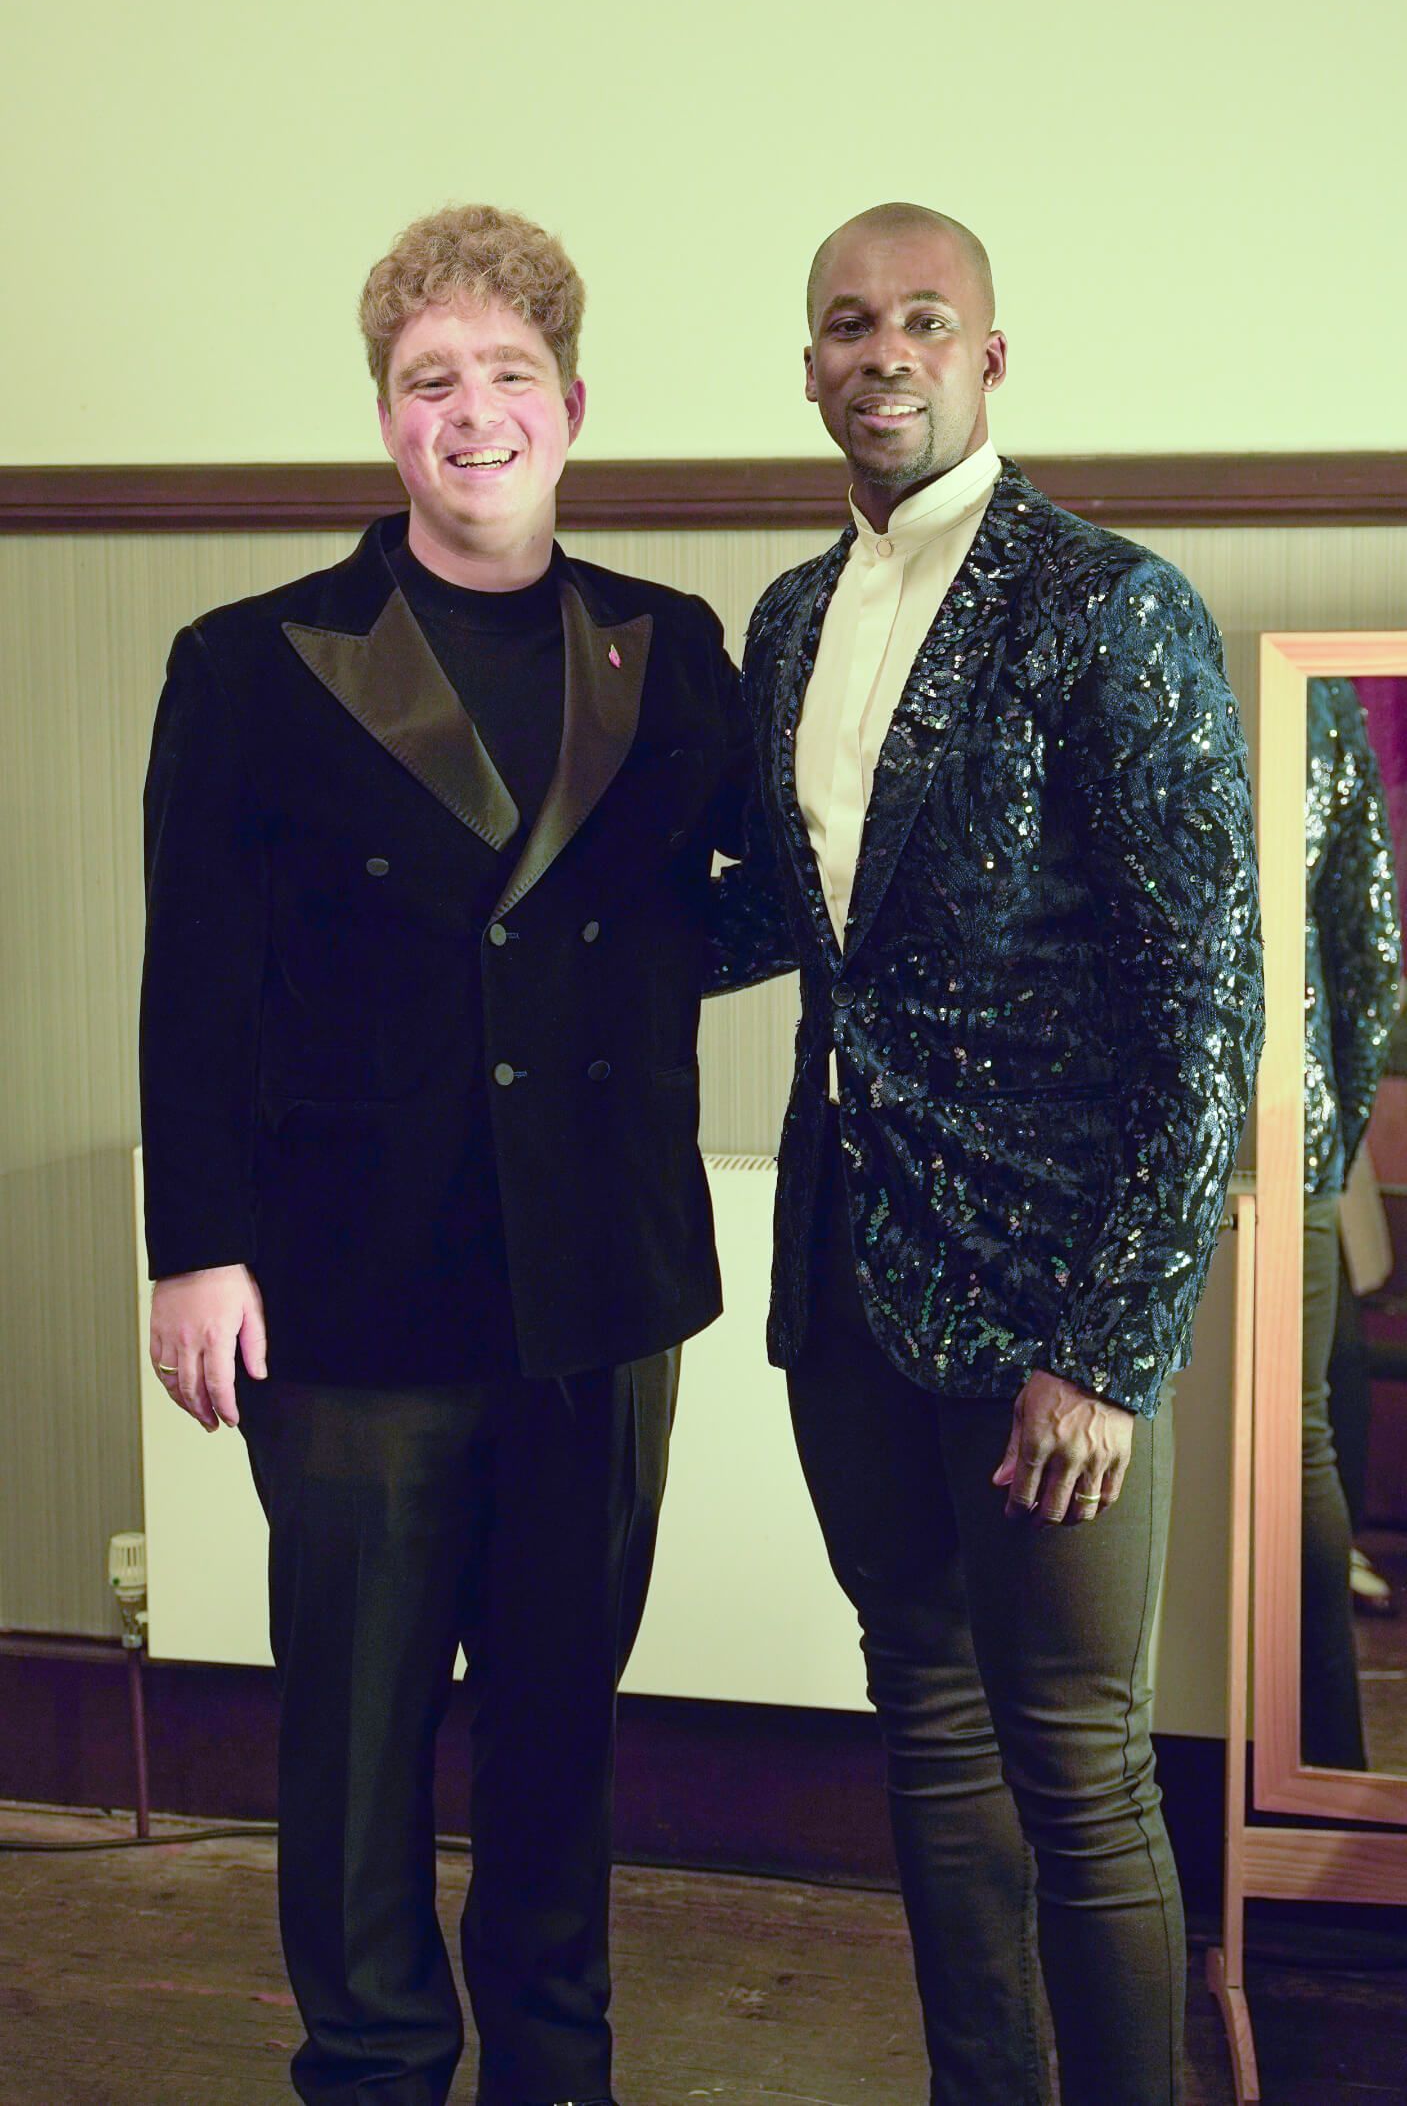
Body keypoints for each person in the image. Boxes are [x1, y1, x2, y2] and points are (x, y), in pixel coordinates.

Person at [140, 204, 749, 2106]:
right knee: (354, 1739)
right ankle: (375, 2062)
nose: (469, 412)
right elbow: (194, 976)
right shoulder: (250, 661)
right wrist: (194, 1249)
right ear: (383, 415)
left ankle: (556, 2067)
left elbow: (744, 901)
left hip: (598, 1285)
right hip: (348, 1281)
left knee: (559, 1729)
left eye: (505, 374)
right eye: (428, 381)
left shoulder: (674, 647)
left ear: (571, 405)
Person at [709, 202, 1264, 2106]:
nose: (883, 354)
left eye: (923, 321)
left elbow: (1205, 1009)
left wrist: (1110, 1347)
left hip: (1049, 1313)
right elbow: (792, 917)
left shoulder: (1107, 605)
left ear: (989, 357)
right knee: (925, 1725)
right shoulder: (787, 622)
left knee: (1082, 1771)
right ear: (808, 367)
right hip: (846, 1285)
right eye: (847, 324)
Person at [1301, 677, 1400, 1764]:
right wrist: (1331, 1130)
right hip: (1293, 1118)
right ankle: (1322, 1755)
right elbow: (1369, 953)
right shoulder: (1319, 701)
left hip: (1071, 1127)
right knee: (1299, 1442)